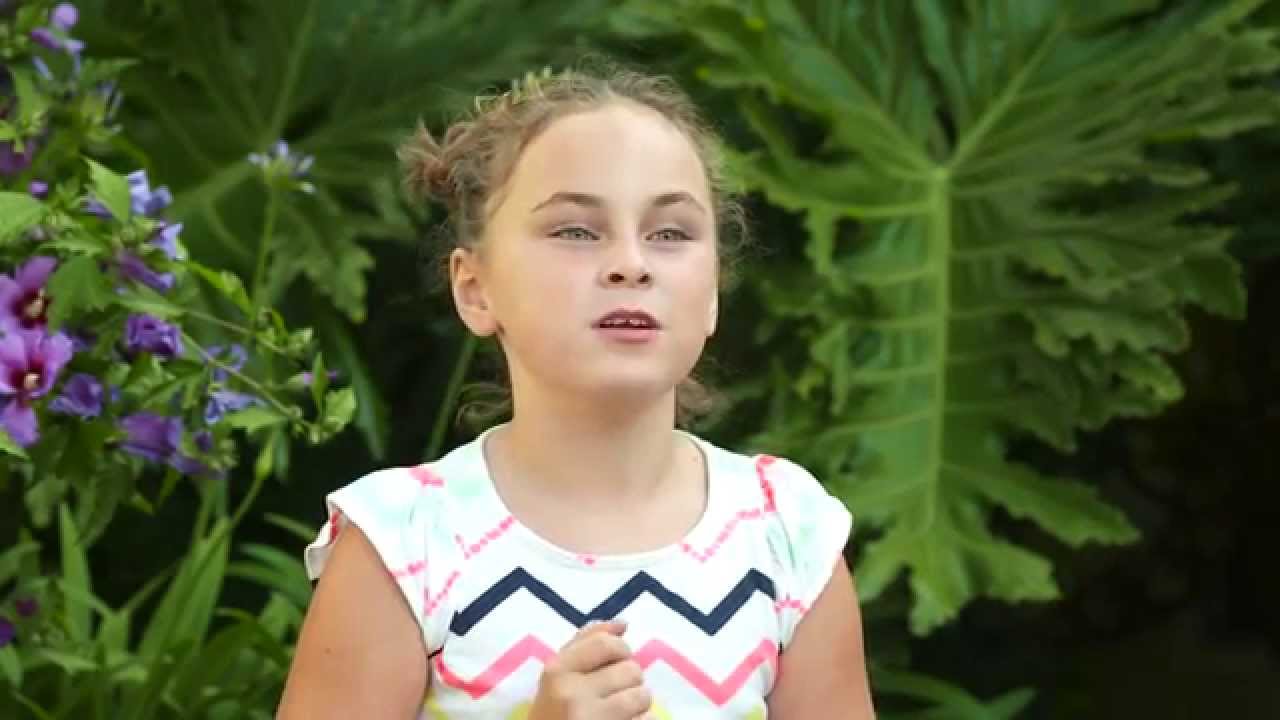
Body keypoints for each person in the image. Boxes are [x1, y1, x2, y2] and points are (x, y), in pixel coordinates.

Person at [277, 62, 876, 719]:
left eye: (670, 234)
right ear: (475, 289)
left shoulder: (788, 532)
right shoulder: (404, 542)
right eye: (576, 231)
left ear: (711, 292)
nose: (631, 264)